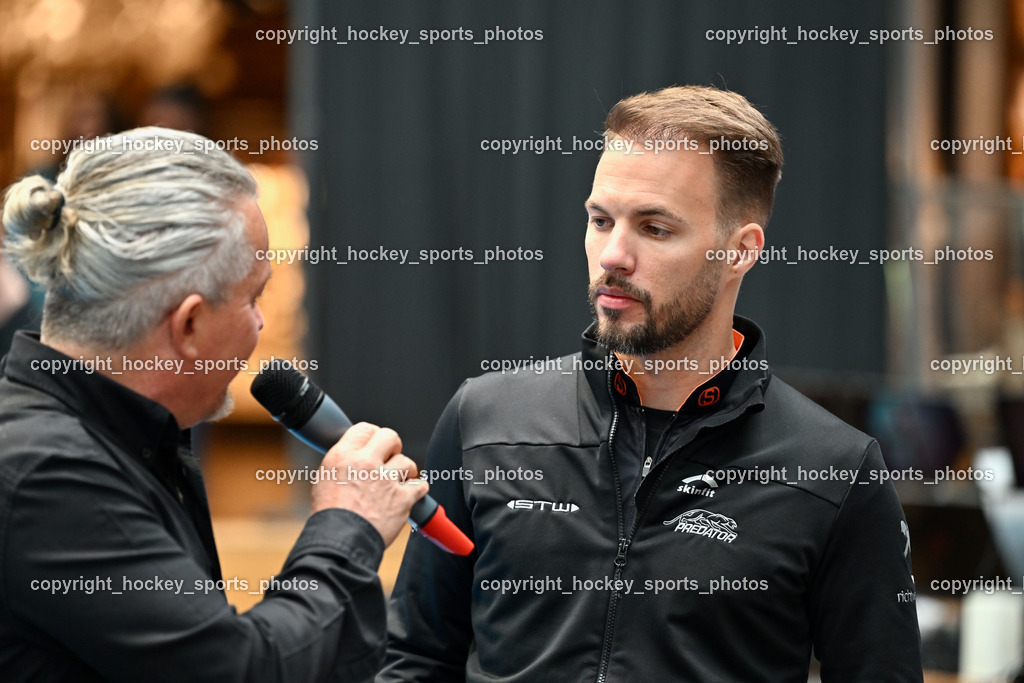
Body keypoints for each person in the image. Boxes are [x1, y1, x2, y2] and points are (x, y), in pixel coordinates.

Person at [379, 86, 923, 681]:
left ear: (739, 251)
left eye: (655, 228)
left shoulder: (835, 472)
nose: (613, 255)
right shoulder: (485, 420)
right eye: (600, 220)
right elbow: (417, 658)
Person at [0, 127, 428, 682]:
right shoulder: (49, 473)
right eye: (254, 297)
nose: (262, 323)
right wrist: (350, 523)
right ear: (190, 324)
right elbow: (246, 672)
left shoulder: (116, 438)